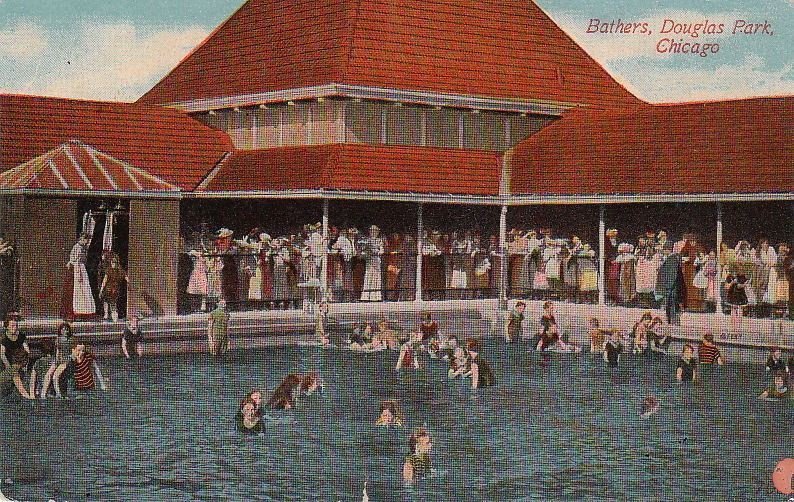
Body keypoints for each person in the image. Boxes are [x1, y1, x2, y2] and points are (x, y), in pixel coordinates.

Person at [62, 233, 96, 319]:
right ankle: (78, 311)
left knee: (84, 291)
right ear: (82, 239)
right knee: (79, 291)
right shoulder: (78, 247)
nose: (87, 242)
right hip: (78, 269)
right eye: (86, 240)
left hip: (81, 268)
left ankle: (83, 312)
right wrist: (79, 274)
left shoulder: (82, 248)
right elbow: (75, 261)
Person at [98, 252, 128, 322]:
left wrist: (101, 290)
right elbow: (127, 278)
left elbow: (104, 281)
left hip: (111, 289)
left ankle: (109, 316)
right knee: (110, 302)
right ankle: (111, 316)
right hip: (112, 289)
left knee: (110, 302)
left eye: (114, 262)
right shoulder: (119, 270)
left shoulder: (112, 270)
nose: (113, 264)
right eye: (112, 262)